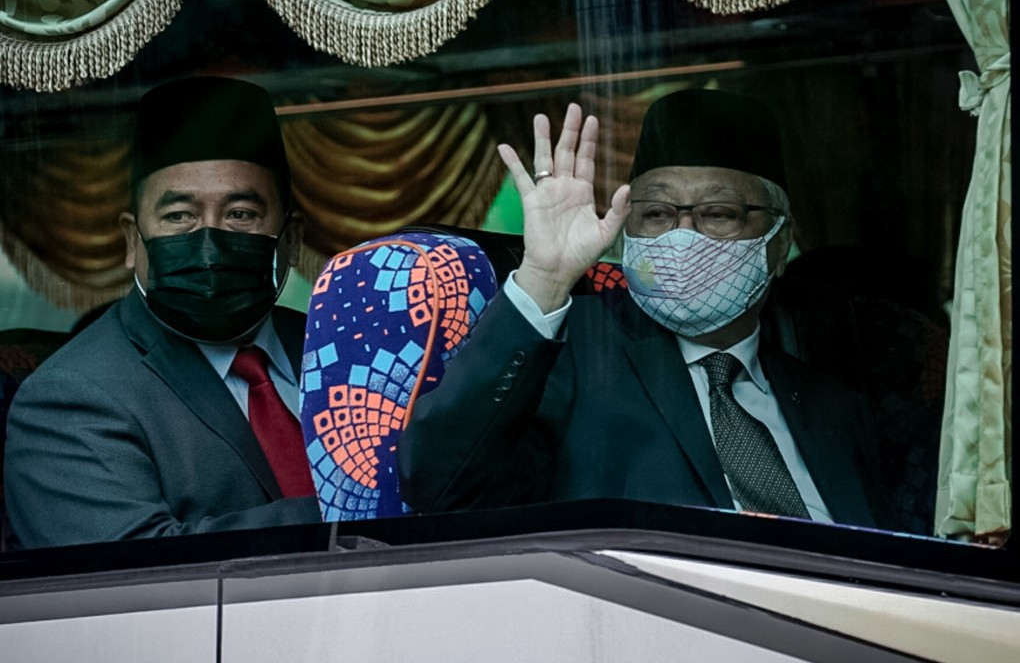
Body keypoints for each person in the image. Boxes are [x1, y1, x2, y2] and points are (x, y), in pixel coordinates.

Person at [398, 90, 885, 528]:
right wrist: (544, 279)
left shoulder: (832, 405)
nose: (682, 236)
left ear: (779, 246)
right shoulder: (575, 350)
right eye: (655, 213)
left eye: (718, 213)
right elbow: (440, 484)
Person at [4, 76, 322, 548]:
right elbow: (133, 565)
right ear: (132, 241)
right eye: (178, 216)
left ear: (291, 239)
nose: (209, 244)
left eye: (240, 214)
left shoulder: (339, 349)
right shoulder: (69, 397)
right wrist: (354, 511)